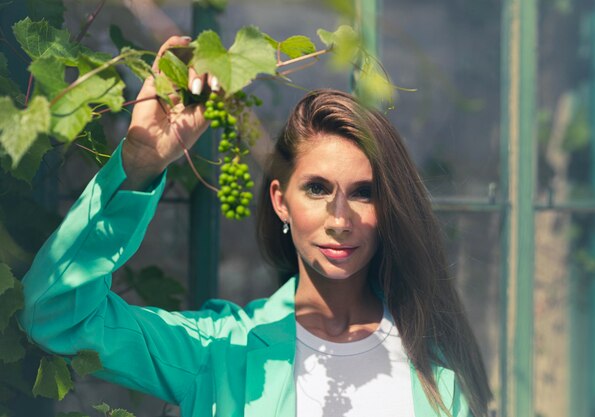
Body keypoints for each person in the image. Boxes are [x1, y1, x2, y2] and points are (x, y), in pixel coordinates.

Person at [18, 36, 491, 417]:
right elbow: (54, 312)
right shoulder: (219, 351)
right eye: (318, 189)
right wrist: (140, 162)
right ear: (281, 202)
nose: (340, 219)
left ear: (388, 208)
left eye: (364, 193)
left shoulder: (438, 370)